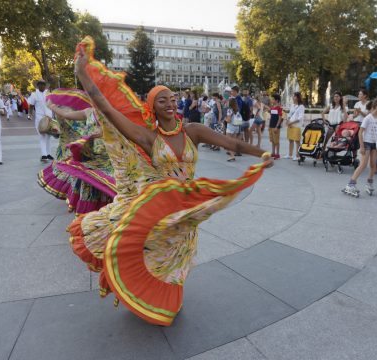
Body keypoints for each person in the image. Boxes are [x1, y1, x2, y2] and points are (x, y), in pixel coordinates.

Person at [68, 37, 273, 326]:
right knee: (152, 252)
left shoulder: (194, 130)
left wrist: (261, 152)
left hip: (185, 203)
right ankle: (149, 296)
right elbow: (108, 110)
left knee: (178, 257)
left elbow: (232, 143)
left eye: (173, 99)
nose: (170, 103)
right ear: (152, 106)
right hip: (158, 205)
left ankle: (168, 296)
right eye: (162, 100)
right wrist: (84, 76)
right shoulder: (148, 137)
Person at [39, 89, 115, 214]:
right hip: (90, 153)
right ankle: (92, 207)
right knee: (86, 178)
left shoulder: (111, 114)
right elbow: (67, 115)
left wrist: (104, 133)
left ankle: (109, 204)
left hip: (107, 154)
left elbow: (119, 132)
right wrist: (53, 107)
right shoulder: (88, 112)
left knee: (106, 179)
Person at [343, 97, 377, 196]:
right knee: (363, 165)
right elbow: (360, 132)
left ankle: (369, 183)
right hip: (366, 143)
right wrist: (362, 147)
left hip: (375, 144)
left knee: (373, 165)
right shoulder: (368, 118)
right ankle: (350, 184)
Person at [28, 79, 54, 162]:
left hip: (49, 118)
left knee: (49, 137)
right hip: (40, 119)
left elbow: (53, 106)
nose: (42, 86)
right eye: (40, 84)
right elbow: (31, 106)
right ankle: (44, 155)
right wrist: (29, 114)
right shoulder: (34, 95)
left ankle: (48, 154)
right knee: (42, 136)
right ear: (37, 85)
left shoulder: (49, 94)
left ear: (45, 85)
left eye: (43, 84)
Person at [285, 92, 305, 160]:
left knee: (297, 141)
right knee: (290, 140)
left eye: (294, 96)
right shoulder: (292, 105)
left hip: (296, 126)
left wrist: (291, 122)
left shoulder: (301, 106)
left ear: (297, 97)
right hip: (290, 125)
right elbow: (290, 114)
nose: (293, 98)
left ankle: (297, 156)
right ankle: (290, 154)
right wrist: (287, 120)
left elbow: (300, 118)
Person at [269, 93, 283, 159]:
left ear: (276, 100)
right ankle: (273, 152)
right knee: (272, 140)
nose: (271, 100)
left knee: (276, 141)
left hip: (275, 126)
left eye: (273, 99)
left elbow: (280, 118)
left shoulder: (279, 108)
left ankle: (277, 154)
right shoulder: (272, 107)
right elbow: (271, 116)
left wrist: (277, 126)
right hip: (271, 125)